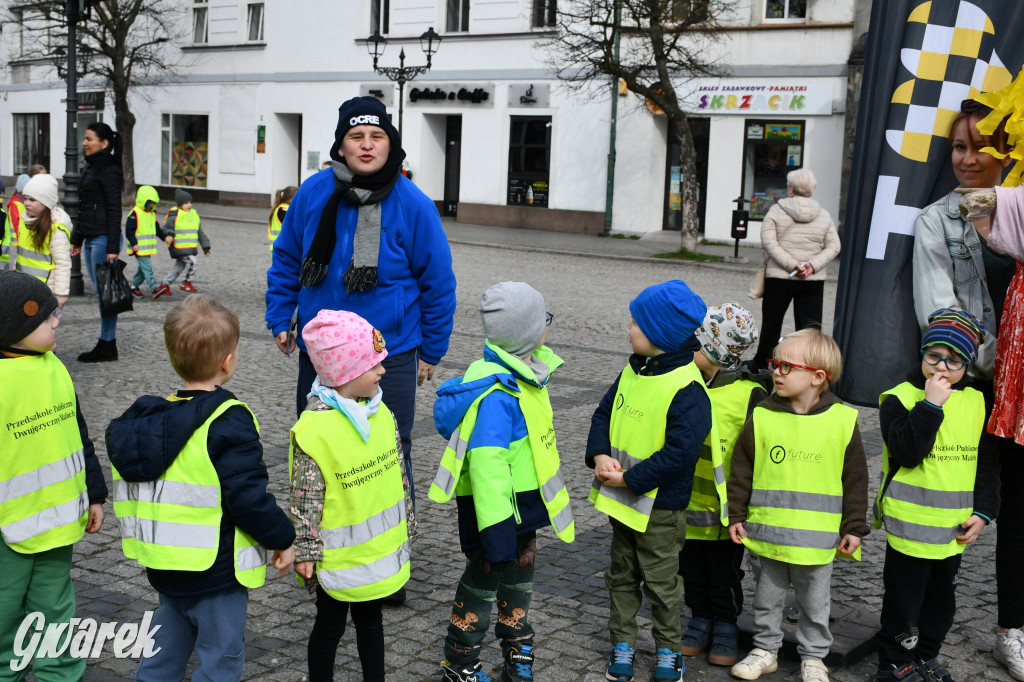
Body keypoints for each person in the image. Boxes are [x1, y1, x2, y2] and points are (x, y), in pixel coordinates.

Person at [265, 95, 457, 508]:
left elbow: (438, 283)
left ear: (391, 144)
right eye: (356, 136)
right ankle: (321, 536)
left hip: (391, 353)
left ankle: (389, 535)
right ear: (340, 146)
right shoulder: (314, 193)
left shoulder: (414, 204)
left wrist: (432, 350)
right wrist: (281, 314)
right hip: (323, 351)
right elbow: (286, 258)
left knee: (389, 447)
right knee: (319, 445)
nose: (367, 145)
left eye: (376, 136)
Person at [105, 294, 296, 681]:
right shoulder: (228, 421)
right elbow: (248, 498)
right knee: (221, 660)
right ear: (228, 361)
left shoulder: (150, 418)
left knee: (163, 654)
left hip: (167, 565)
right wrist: (283, 538)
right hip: (216, 573)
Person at [913, 97, 1024, 681]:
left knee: (1022, 517)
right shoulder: (936, 221)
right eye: (958, 146)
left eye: (982, 145)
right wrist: (1006, 364)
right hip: (972, 392)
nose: (968, 158)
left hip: (1023, 396)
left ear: (1009, 152)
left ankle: (1012, 629)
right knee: (949, 520)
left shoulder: (1022, 211)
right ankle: (918, 644)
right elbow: (941, 316)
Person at [430, 282, 574, 682]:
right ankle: (459, 663)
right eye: (542, 321)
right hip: (495, 515)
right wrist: (495, 535)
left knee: (520, 582)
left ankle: (517, 649)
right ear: (528, 332)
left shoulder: (527, 374)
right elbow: (488, 468)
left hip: (523, 509)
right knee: (482, 583)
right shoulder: (498, 393)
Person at [587, 280, 713, 682]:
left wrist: (631, 479)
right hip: (623, 502)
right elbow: (604, 413)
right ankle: (622, 644)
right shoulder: (633, 368)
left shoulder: (688, 389)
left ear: (659, 334)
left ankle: (667, 652)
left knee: (662, 585)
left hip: (659, 507)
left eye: (637, 322)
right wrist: (599, 454)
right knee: (621, 576)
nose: (629, 326)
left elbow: (680, 454)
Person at [727, 328, 869, 682]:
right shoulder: (762, 414)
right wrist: (736, 515)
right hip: (768, 533)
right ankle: (765, 650)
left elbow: (855, 479)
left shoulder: (841, 420)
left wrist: (853, 527)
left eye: (787, 366)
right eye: (775, 363)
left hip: (817, 542)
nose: (776, 371)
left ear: (818, 377)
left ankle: (814, 657)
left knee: (815, 604)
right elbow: (742, 469)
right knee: (766, 599)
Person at [874, 309, 998, 682]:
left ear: (968, 365)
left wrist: (986, 511)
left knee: (941, 606)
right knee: (903, 606)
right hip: (910, 528)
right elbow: (908, 452)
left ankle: (925, 657)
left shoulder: (977, 400)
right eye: (933, 356)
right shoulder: (898, 398)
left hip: (952, 530)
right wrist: (930, 406)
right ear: (922, 354)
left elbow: (988, 463)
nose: (941, 367)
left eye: (954, 360)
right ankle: (894, 665)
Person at [289, 310, 413, 682]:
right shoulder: (315, 430)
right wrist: (306, 550)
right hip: (337, 561)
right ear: (344, 373)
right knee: (329, 628)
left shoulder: (379, 412)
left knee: (372, 623)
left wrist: (408, 523)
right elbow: (305, 499)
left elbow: (398, 475)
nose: (383, 371)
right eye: (373, 364)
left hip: (375, 556)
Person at [0, 271, 107, 679]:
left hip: (59, 524)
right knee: (4, 617)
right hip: (7, 532)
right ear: (16, 328)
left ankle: (60, 674)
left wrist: (93, 492)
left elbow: (76, 434)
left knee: (56, 615)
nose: (57, 323)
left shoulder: (54, 367)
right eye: (47, 319)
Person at [679, 302, 768, 668]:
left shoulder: (748, 395)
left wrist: (745, 508)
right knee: (689, 570)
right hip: (683, 507)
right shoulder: (680, 378)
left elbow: (754, 456)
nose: (689, 348)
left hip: (723, 516)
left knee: (723, 574)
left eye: (697, 344)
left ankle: (727, 624)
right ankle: (699, 618)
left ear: (717, 350)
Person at [750, 168, 841, 371]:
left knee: (771, 324)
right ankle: (808, 366)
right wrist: (812, 266)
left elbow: (769, 241)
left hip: (780, 277)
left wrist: (792, 264)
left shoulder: (776, 210)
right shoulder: (824, 215)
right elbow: (834, 246)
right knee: (809, 328)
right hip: (812, 280)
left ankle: (763, 364)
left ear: (790, 189)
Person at [70, 122, 124, 363]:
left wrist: (113, 247)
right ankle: (106, 343)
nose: (84, 143)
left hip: (104, 239)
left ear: (104, 143)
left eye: (89, 139)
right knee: (103, 293)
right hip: (92, 237)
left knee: (106, 294)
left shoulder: (109, 168)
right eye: (84, 138)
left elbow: (114, 209)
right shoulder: (91, 167)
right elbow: (85, 206)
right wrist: (78, 238)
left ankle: (107, 344)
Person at [15, 174, 72, 308]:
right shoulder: (25, 222)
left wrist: (61, 294)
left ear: (46, 202)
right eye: (25, 198)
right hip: (24, 286)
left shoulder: (56, 229)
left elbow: (63, 263)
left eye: (33, 200)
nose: (27, 203)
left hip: (45, 289)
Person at [154, 189, 210, 297]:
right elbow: (166, 228)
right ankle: (186, 283)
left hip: (189, 248)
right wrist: (169, 235)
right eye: (186, 203)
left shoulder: (194, 215)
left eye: (190, 202)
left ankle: (164, 285)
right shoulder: (174, 214)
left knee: (178, 268)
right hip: (178, 247)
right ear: (180, 204)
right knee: (193, 262)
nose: (189, 205)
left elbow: (200, 232)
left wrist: (206, 247)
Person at [125, 185, 163, 298]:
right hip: (139, 248)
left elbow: (157, 229)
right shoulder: (135, 213)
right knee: (147, 268)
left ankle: (133, 288)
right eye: (151, 202)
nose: (152, 205)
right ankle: (154, 289)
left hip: (147, 249)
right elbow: (129, 231)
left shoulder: (151, 213)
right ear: (144, 201)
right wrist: (133, 243)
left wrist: (165, 237)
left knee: (142, 269)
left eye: (154, 203)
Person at [2, 175, 29, 270]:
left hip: (24, 238)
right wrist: (19, 238)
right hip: (19, 240)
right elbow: (14, 224)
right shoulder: (15, 204)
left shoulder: (23, 202)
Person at [268, 185, 298, 251]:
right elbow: (294, 226)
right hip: (281, 249)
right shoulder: (283, 210)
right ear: (292, 199)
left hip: (279, 247)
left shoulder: (283, 208)